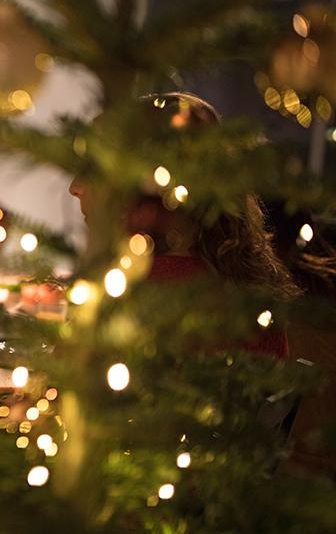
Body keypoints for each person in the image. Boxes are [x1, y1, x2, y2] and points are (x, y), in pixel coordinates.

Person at [68, 91, 299, 358]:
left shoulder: (127, 298)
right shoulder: (251, 293)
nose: (74, 187)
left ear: (149, 185)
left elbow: (59, 387)